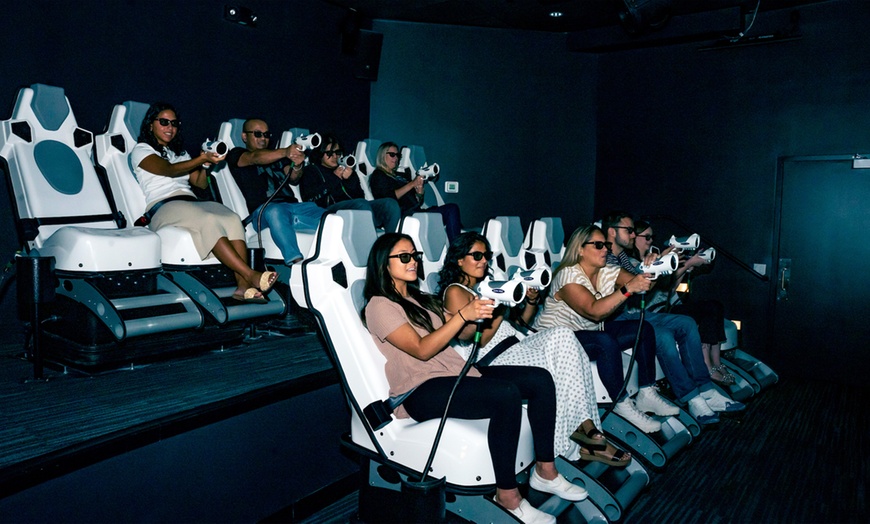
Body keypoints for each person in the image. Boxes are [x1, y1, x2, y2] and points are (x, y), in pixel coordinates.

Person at [362, 233, 587, 524]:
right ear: (383, 263)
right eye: (404, 257)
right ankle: (508, 496)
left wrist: (490, 305)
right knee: (505, 393)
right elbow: (421, 349)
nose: (413, 261)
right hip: (420, 389)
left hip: (454, 374)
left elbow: (466, 334)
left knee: (539, 379)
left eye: (415, 255)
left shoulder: (420, 299)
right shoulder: (379, 305)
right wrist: (462, 315)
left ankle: (545, 471)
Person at [439, 232, 630, 466]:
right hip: (493, 357)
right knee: (556, 362)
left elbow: (519, 323)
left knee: (564, 334)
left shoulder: (483, 287)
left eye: (486, 255)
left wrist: (530, 301)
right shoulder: (455, 291)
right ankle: (583, 436)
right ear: (459, 260)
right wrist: (499, 307)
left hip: (516, 343)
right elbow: (478, 340)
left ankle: (586, 426)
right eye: (477, 256)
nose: (484, 261)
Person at [534, 225, 680, 434]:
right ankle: (621, 403)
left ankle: (647, 392)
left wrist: (655, 267)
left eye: (606, 245)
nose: (605, 249)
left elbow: (640, 282)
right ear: (580, 249)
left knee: (643, 329)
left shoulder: (605, 271)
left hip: (586, 335)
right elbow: (594, 311)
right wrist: (628, 289)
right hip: (556, 341)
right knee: (604, 341)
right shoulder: (567, 277)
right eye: (598, 245)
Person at [602, 211, 744, 422]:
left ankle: (706, 389)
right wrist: (658, 263)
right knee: (663, 335)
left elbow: (644, 281)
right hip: (616, 319)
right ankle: (692, 397)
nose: (632, 235)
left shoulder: (622, 256)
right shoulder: (605, 257)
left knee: (687, 323)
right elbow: (634, 282)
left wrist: (660, 261)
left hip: (634, 313)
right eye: (629, 230)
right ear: (612, 232)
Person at [130, 103, 277, 303]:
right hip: (163, 206)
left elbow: (200, 183)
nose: (170, 127)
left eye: (174, 123)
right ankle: (250, 275)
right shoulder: (141, 150)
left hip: (189, 202)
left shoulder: (180, 153)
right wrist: (201, 159)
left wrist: (206, 165)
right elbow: (169, 170)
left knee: (232, 218)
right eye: (164, 122)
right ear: (150, 125)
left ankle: (242, 287)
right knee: (208, 219)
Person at [634, 220, 736, 387]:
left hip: (668, 305)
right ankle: (707, 365)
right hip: (655, 311)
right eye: (646, 237)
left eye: (652, 237)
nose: (650, 240)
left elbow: (670, 288)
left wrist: (685, 268)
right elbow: (650, 289)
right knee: (705, 311)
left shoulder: (653, 255)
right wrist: (688, 263)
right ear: (634, 237)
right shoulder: (633, 262)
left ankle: (716, 362)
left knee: (715, 306)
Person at [225, 119, 325, 265]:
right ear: (244, 137)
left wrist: (298, 164)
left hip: (293, 206)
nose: (263, 138)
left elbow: (294, 178)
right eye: (257, 134)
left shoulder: (278, 157)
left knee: (331, 217)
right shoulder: (237, 154)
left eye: (266, 134)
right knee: (276, 212)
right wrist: (285, 152)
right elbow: (254, 158)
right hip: (264, 210)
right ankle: (296, 262)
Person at [299, 134, 400, 233]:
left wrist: (350, 179)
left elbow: (360, 196)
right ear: (320, 154)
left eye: (337, 152)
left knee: (390, 204)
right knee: (361, 205)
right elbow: (311, 198)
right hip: (328, 209)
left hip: (356, 205)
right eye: (329, 153)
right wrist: (334, 178)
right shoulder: (311, 170)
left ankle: (390, 241)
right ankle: (370, 239)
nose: (335, 156)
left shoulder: (346, 168)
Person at [369, 142, 462, 242]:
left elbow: (417, 200)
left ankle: (456, 246)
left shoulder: (401, 176)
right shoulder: (378, 175)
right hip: (404, 215)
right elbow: (389, 199)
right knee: (450, 210)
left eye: (397, 155)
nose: (395, 158)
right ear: (382, 155)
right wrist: (412, 184)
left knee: (452, 208)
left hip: (417, 211)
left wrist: (419, 192)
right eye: (392, 155)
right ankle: (456, 248)